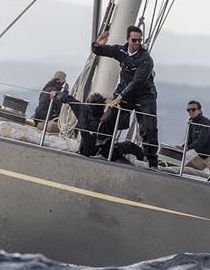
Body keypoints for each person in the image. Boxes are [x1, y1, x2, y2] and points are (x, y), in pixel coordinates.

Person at [91, 25, 159, 169]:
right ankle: (103, 149)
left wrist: (120, 97)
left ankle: (152, 162)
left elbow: (137, 82)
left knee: (149, 128)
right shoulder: (120, 51)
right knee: (107, 118)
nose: (137, 43)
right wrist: (97, 44)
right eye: (134, 40)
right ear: (127, 39)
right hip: (124, 93)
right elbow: (99, 51)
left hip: (144, 96)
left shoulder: (146, 59)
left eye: (139, 40)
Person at [60, 90, 145, 163]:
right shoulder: (106, 120)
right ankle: (143, 157)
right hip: (106, 153)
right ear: (102, 106)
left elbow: (68, 98)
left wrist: (56, 93)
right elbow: (122, 126)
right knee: (128, 145)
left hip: (85, 151)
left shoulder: (82, 111)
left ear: (88, 104)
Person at [182, 100, 210, 172]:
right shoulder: (191, 123)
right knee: (185, 170)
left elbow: (202, 140)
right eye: (188, 110)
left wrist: (188, 147)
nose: (190, 112)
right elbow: (190, 140)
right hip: (202, 156)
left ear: (199, 111)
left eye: (193, 109)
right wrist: (182, 147)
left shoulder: (205, 122)